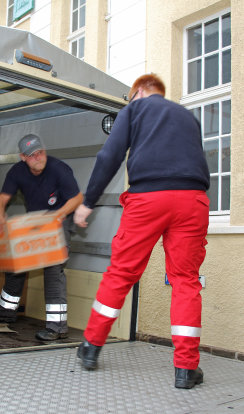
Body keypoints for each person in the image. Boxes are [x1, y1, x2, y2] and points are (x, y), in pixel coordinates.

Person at [73, 74, 210, 389]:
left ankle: (91, 348)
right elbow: (200, 161)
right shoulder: (189, 118)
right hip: (193, 200)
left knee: (121, 272)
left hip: (148, 199)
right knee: (186, 281)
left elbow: (109, 156)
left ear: (139, 93)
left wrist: (88, 202)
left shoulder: (133, 110)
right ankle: (186, 369)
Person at [0, 134, 83, 341]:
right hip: (36, 219)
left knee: (53, 268)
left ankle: (57, 327)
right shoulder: (17, 172)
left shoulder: (58, 168)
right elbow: (1, 200)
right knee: (15, 263)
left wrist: (57, 215)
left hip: (60, 218)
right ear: (22, 157)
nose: (38, 157)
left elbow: (77, 198)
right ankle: (5, 313)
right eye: (32, 155)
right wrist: (0, 214)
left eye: (40, 152)